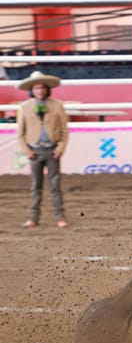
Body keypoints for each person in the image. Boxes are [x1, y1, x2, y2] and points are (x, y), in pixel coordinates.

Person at [16, 71, 70, 229]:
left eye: (42, 87)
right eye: (36, 88)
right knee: (36, 186)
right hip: (34, 151)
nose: (39, 91)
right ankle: (33, 218)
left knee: (55, 185)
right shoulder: (25, 107)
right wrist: (27, 151)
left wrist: (60, 148)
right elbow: (20, 133)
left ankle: (60, 217)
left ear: (47, 89)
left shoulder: (57, 105)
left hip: (52, 150)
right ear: (31, 90)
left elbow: (64, 130)